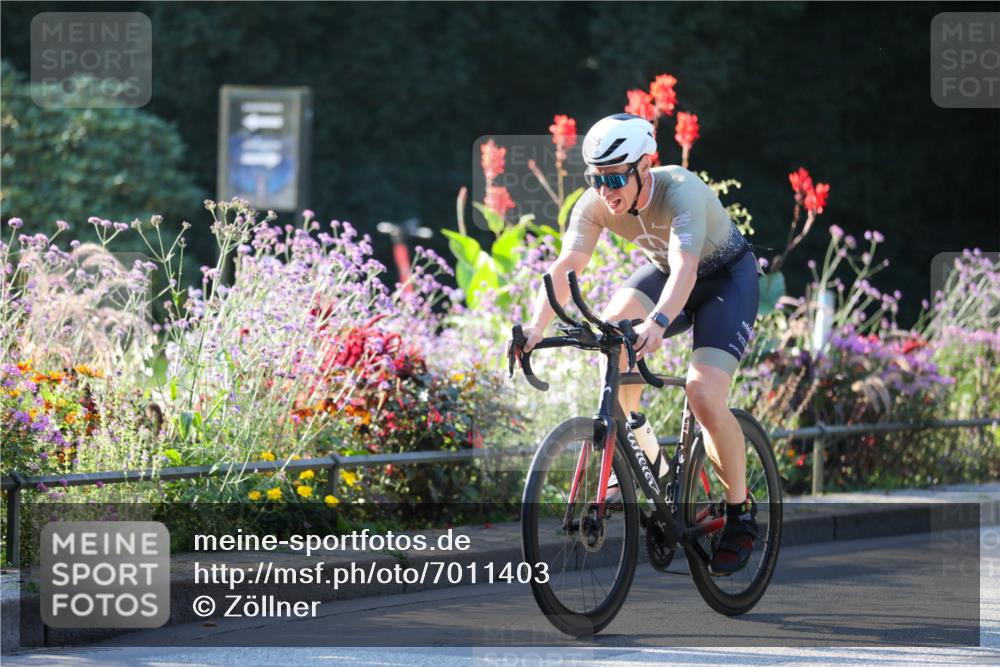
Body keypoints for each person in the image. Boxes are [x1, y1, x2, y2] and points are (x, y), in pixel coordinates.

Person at [514, 113, 761, 576]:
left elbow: (687, 269)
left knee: (703, 395)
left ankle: (740, 512)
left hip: (725, 280)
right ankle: (642, 462)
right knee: (611, 334)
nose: (605, 190)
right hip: (668, 276)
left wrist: (658, 321)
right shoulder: (595, 204)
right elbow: (567, 265)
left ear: (645, 166)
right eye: (595, 178)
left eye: (613, 177)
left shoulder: (680, 189)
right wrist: (534, 327)